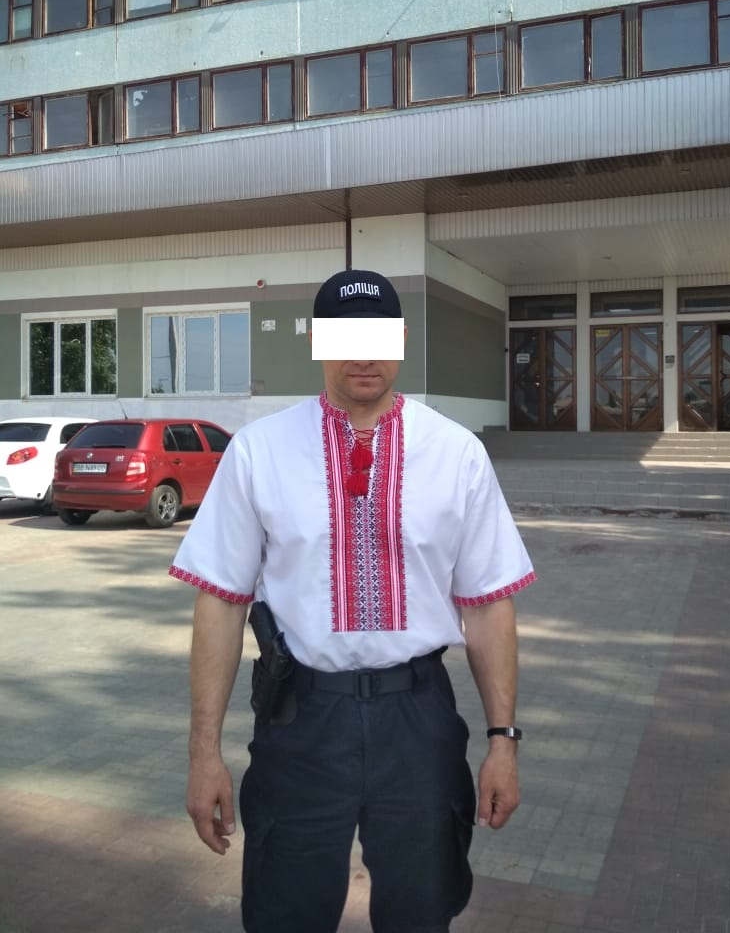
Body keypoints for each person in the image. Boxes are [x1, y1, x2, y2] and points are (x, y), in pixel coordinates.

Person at [170, 268, 536, 933]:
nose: (363, 355)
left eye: (378, 336)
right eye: (345, 337)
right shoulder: (259, 451)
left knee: (422, 911)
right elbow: (220, 602)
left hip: (419, 723)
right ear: (317, 341)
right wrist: (203, 753)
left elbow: (488, 605)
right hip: (301, 721)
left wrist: (502, 742)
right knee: (285, 913)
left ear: (402, 341)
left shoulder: (456, 453)